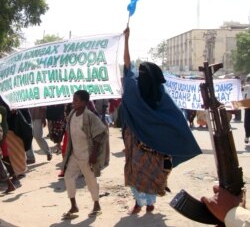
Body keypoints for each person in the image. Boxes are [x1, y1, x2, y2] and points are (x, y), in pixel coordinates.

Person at [122, 26, 202, 214]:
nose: (139, 76)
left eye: (142, 74)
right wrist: (126, 40)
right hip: (136, 142)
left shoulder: (158, 95)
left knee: (152, 172)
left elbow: (175, 121)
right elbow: (127, 66)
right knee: (135, 170)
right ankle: (138, 202)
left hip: (153, 148)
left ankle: (149, 202)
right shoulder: (138, 88)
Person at [62, 90, 108, 219]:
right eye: (73, 99)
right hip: (74, 155)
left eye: (76, 100)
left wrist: (93, 155)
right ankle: (73, 206)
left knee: (90, 180)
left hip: (87, 156)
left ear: (84, 102)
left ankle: (97, 205)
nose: (73, 102)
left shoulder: (90, 116)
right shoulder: (72, 114)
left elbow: (101, 133)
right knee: (68, 177)